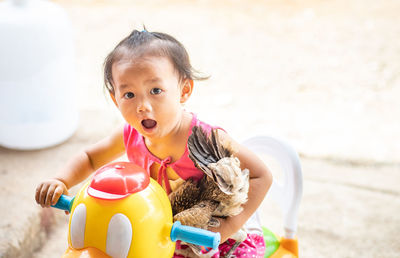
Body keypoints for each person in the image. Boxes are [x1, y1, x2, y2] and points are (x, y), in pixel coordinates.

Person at [35, 29, 272, 257]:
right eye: (129, 95)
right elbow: (90, 158)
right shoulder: (130, 134)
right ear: (115, 99)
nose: (142, 106)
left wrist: (227, 228)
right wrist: (61, 180)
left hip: (219, 234)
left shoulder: (206, 140)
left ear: (184, 90)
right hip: (168, 230)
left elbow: (261, 175)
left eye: (155, 90)